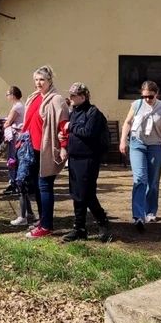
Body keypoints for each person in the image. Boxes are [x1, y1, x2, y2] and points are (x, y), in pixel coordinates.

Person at [119, 80, 161, 232]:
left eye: (150, 97)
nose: (147, 100)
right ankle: (138, 215)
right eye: (144, 96)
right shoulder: (136, 105)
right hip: (137, 145)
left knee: (153, 181)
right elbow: (128, 122)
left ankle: (150, 211)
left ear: (156, 94)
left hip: (155, 146)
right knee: (140, 179)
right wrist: (123, 140)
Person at [59, 82, 112, 243]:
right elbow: (74, 132)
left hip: (88, 159)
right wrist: (65, 138)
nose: (70, 98)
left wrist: (70, 126)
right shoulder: (75, 112)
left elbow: (88, 132)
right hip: (74, 158)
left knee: (86, 194)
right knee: (76, 195)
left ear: (82, 97)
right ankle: (79, 228)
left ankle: (103, 222)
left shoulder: (93, 112)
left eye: (73, 96)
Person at [22, 65, 70, 238]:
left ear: (50, 81)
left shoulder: (56, 100)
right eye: (36, 79)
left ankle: (47, 226)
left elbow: (64, 126)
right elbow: (28, 120)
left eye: (42, 79)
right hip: (32, 149)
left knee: (45, 186)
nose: (38, 83)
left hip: (47, 150)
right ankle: (43, 219)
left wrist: (63, 147)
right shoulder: (34, 97)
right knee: (36, 186)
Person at [3, 86, 25, 195]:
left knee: (13, 159)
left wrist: (2, 125)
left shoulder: (16, 107)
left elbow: (8, 122)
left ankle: (14, 183)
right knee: (19, 159)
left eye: (7, 95)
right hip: (21, 136)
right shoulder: (23, 105)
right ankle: (18, 182)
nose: (7, 97)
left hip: (16, 136)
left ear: (12, 95)